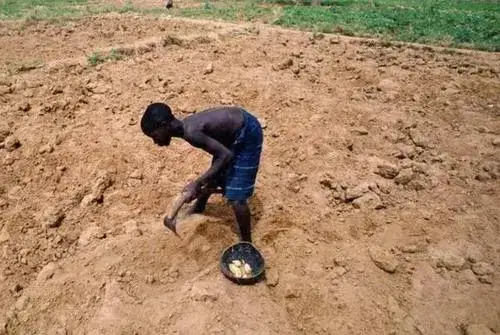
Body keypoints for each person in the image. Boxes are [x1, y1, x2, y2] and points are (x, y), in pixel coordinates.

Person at [140, 102, 263, 242]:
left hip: (247, 132)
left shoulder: (191, 132)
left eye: (154, 135)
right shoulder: (185, 127)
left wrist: (197, 183)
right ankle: (200, 206)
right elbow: (221, 155)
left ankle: (246, 243)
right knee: (215, 174)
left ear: (163, 125)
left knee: (236, 196)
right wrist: (203, 182)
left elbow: (226, 156)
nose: (155, 141)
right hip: (231, 133)